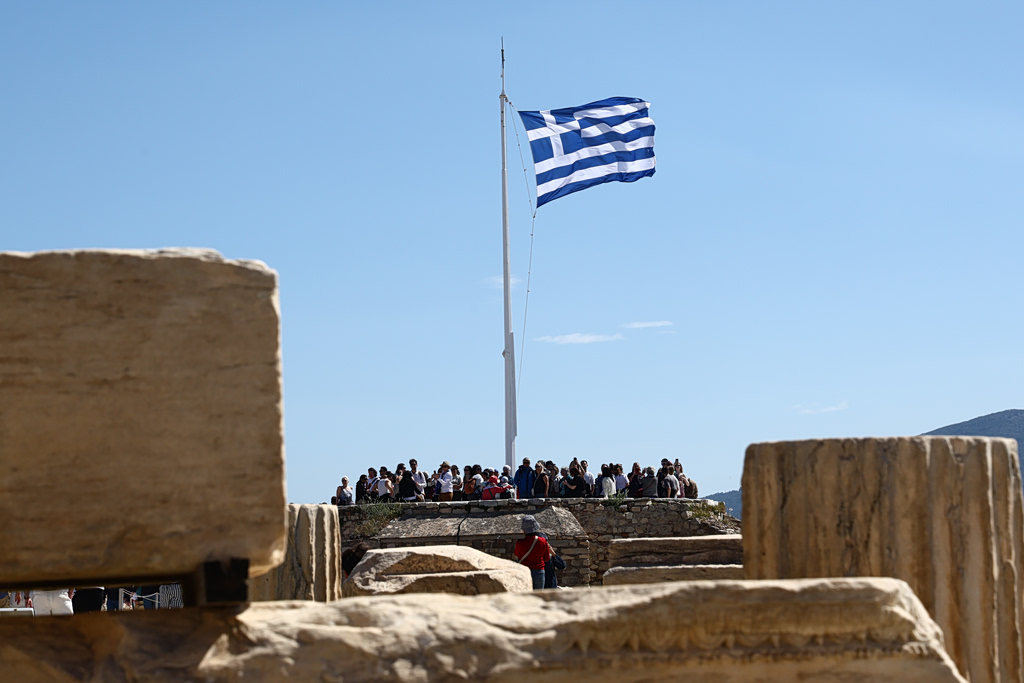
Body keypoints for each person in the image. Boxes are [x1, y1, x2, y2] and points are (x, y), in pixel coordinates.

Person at [514, 515, 551, 590]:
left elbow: (517, 554)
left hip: (524, 572)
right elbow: (547, 558)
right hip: (539, 572)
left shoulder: (520, 543)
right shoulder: (542, 541)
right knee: (538, 596)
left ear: (524, 531)